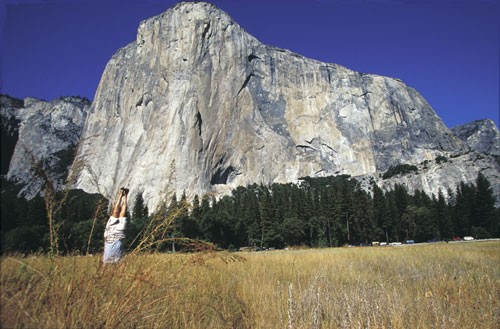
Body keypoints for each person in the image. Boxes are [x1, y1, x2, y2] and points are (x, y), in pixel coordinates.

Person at [103, 187, 129, 263]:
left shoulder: (106, 260)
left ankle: (122, 195)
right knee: (119, 213)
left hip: (112, 235)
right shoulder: (107, 260)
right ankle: (123, 195)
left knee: (117, 213)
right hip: (117, 236)